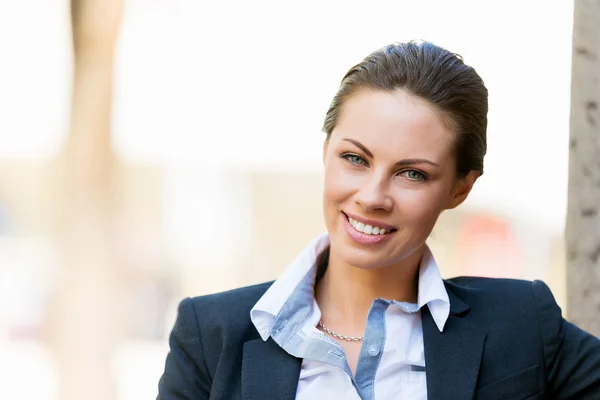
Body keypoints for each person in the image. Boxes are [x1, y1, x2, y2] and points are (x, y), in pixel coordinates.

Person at [157, 41, 600, 400]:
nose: (371, 197)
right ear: (326, 151)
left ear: (460, 188)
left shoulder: (523, 324)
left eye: (412, 174)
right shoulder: (210, 335)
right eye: (355, 158)